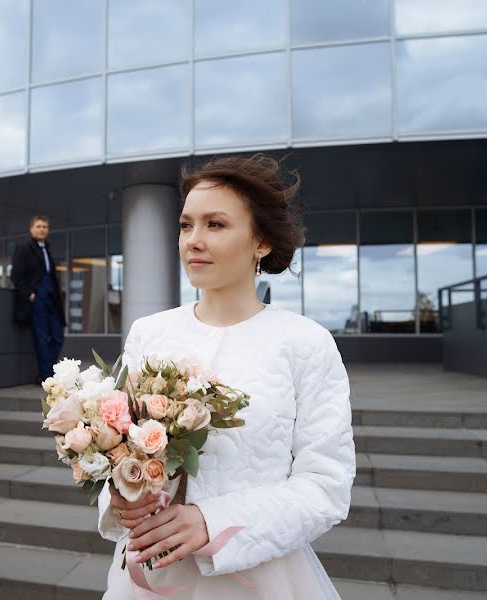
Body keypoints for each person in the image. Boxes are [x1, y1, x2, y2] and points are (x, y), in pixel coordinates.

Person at [97, 155, 355, 599]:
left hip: (258, 580)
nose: (193, 241)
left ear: (262, 241)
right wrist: (121, 497)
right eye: (185, 225)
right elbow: (119, 448)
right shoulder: (149, 333)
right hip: (148, 576)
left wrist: (209, 522)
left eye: (215, 224)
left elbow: (325, 486)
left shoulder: (305, 342)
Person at [10, 215, 66, 384]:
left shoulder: (47, 249)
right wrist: (29, 294)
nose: (42, 229)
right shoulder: (23, 248)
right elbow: (16, 275)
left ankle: (48, 371)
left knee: (58, 336)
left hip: (53, 300)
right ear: (31, 229)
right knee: (41, 338)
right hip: (37, 300)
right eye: (38, 226)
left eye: (45, 226)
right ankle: (46, 375)